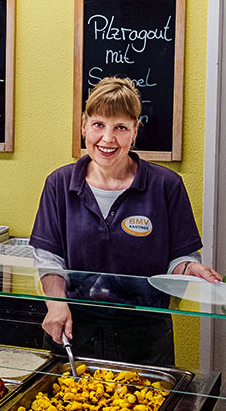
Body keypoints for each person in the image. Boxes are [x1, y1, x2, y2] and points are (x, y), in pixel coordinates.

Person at [30, 77, 222, 365]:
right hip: (73, 331)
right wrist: (56, 304)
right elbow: (48, 258)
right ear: (84, 125)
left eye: (120, 127)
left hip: (145, 337)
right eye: (98, 125)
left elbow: (178, 258)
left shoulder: (166, 185)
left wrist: (188, 267)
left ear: (135, 132)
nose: (108, 139)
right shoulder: (59, 183)